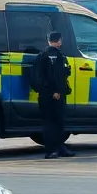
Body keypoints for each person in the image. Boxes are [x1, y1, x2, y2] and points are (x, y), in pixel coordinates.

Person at [31, 31, 74, 160]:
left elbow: (37, 78)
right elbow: (62, 76)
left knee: (49, 123)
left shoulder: (40, 56)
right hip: (57, 96)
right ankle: (58, 148)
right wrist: (58, 92)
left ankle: (53, 150)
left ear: (48, 41)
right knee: (58, 123)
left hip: (46, 96)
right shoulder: (61, 57)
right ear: (59, 41)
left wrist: (50, 91)